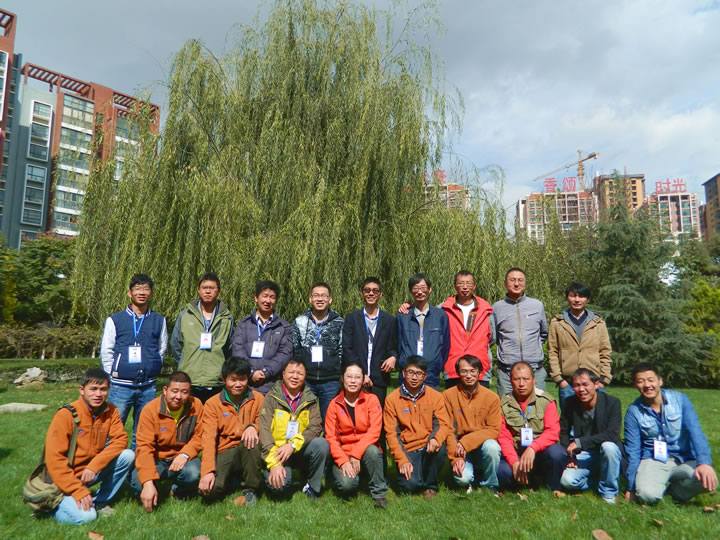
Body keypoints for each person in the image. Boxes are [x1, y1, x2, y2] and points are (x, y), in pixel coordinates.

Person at [43, 368, 134, 524]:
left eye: (103, 389)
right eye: (93, 389)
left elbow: (120, 440)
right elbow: (54, 459)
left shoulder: (111, 410)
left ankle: (100, 502)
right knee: (87, 517)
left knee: (128, 455)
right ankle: (50, 507)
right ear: (82, 390)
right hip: (65, 478)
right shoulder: (66, 414)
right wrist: (77, 490)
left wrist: (94, 466)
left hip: (90, 472)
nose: (98, 394)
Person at [624, 362, 718, 505]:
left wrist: (704, 463)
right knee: (647, 496)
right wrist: (631, 487)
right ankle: (657, 487)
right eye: (640, 381)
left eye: (651, 380)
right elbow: (633, 451)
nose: (647, 385)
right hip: (654, 460)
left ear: (660, 381)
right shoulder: (633, 412)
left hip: (685, 458)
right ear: (635, 385)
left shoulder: (680, 400)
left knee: (708, 481)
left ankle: (675, 493)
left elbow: (695, 432)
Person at [101, 273, 168, 449]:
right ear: (129, 293)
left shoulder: (159, 320)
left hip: (148, 386)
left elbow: (162, 348)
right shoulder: (115, 320)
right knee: (114, 430)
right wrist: (113, 374)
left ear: (151, 293)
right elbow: (107, 351)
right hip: (121, 386)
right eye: (138, 289)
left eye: (146, 289)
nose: (142, 292)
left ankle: (137, 464)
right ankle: (109, 464)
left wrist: (153, 365)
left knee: (143, 433)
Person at [132, 371, 204, 512]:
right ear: (165, 390)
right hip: (156, 458)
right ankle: (156, 489)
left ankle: (177, 490)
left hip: (182, 457)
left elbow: (200, 436)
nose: (179, 396)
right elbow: (144, 447)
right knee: (138, 484)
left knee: (193, 473)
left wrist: (185, 454)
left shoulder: (196, 405)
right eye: (174, 391)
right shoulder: (150, 410)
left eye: (184, 392)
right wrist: (147, 482)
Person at [259, 359, 329, 499]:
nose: (295, 377)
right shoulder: (271, 398)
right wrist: (274, 464)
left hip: (299, 449)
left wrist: (292, 445)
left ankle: (312, 487)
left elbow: (315, 427)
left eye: (300, 373)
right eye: (291, 372)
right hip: (278, 452)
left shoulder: (310, 399)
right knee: (279, 487)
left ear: (305, 376)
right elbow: (264, 430)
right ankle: (276, 474)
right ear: (283, 374)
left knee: (322, 444)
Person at [198, 357, 264, 505]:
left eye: (242, 379)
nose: (238, 384)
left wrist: (253, 427)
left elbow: (264, 422)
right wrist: (207, 471)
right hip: (224, 450)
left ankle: (251, 489)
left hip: (248, 449)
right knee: (210, 492)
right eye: (233, 380)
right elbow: (208, 439)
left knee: (251, 442)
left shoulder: (258, 398)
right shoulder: (212, 403)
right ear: (224, 379)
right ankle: (232, 480)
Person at [384, 355, 451, 499]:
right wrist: (402, 459)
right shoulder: (392, 399)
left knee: (440, 448)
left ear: (425, 376)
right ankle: (418, 477)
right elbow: (391, 434)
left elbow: (443, 424)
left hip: (428, 447)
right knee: (410, 486)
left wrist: (435, 439)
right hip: (408, 449)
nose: (414, 377)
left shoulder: (435, 396)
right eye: (411, 372)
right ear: (403, 373)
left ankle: (430, 486)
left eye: (419, 374)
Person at [325, 362, 388, 509]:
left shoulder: (372, 400)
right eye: (349, 377)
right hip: (344, 453)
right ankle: (340, 474)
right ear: (343, 378)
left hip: (366, 450)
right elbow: (331, 438)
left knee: (373, 451)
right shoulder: (334, 404)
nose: (353, 381)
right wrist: (343, 461)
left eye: (357, 377)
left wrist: (356, 454)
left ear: (363, 379)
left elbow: (374, 431)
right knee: (347, 486)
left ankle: (379, 494)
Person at [497, 362, 567, 495]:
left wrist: (533, 448)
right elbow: (503, 437)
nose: (521, 384)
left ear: (533, 380)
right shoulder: (503, 404)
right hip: (517, 453)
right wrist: (514, 462)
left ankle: (552, 487)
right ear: (511, 381)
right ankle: (525, 481)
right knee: (502, 471)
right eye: (517, 379)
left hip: (539, 454)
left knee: (557, 453)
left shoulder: (546, 401)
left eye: (526, 379)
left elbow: (552, 432)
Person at [559, 368, 622, 503]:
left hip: (606, 452)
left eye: (585, 384)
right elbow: (563, 432)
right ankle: (599, 481)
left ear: (596, 384)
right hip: (584, 453)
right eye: (576, 385)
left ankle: (608, 492)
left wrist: (580, 442)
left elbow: (612, 434)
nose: (581, 389)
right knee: (567, 481)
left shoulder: (612, 403)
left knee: (609, 447)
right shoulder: (570, 403)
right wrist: (570, 456)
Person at [170, 272, 234, 403]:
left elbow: (230, 347)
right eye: (205, 288)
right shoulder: (185, 315)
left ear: (219, 291)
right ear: (198, 290)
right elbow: (176, 344)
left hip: (216, 381)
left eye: (212, 288)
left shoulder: (227, 318)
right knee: (190, 416)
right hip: (190, 379)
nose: (208, 291)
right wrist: (186, 362)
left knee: (214, 416)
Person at [443, 355, 502, 493]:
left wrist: (467, 441)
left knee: (492, 447)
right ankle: (469, 480)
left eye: (472, 371)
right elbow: (448, 429)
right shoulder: (448, 396)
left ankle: (490, 485)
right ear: (458, 373)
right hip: (459, 448)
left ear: (479, 372)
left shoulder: (492, 397)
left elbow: (494, 429)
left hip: (482, 445)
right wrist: (455, 458)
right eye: (464, 371)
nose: (469, 375)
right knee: (462, 479)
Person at [548, 282, 612, 409]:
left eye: (581, 296)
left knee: (596, 419)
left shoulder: (598, 323)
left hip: (594, 383)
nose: (577, 300)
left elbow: (605, 352)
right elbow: (553, 352)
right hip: (568, 384)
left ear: (587, 299)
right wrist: (559, 380)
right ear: (567, 298)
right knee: (570, 419)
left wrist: (604, 380)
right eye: (573, 296)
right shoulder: (557, 322)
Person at [342, 277, 398, 406]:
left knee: (376, 414)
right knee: (355, 414)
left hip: (379, 378)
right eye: (367, 290)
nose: (371, 293)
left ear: (380, 294)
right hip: (356, 379)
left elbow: (393, 347)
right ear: (362, 293)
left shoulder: (389, 320)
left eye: (375, 291)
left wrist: (393, 357)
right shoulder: (352, 319)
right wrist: (360, 374)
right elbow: (347, 348)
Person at [292, 281, 344, 420]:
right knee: (305, 419)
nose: (320, 299)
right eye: (316, 295)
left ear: (330, 299)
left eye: (323, 296)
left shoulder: (339, 322)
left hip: (330, 381)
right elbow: (295, 349)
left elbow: (342, 349)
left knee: (329, 420)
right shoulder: (300, 321)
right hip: (306, 380)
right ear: (310, 299)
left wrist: (337, 370)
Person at [493, 268, 549, 396]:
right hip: (507, 372)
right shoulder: (497, 307)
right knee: (507, 407)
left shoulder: (537, 305)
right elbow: (495, 337)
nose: (516, 284)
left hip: (535, 370)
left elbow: (543, 333)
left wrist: (533, 349)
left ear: (525, 282)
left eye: (520, 280)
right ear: (505, 283)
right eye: (512, 280)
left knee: (538, 406)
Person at [232, 280, 293, 395]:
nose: (268, 301)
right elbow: (237, 350)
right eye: (265, 296)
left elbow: (285, 354)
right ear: (256, 298)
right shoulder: (243, 324)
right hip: (246, 385)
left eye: (272, 297)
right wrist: (251, 372)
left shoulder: (284, 327)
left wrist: (266, 372)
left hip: (272, 386)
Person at [396, 274, 450, 390]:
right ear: (410, 291)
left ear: (429, 289)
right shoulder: (403, 316)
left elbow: (445, 345)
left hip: (431, 375)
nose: (419, 292)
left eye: (423, 288)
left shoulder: (440, 316)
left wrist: (437, 365)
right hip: (407, 374)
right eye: (415, 288)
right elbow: (398, 343)